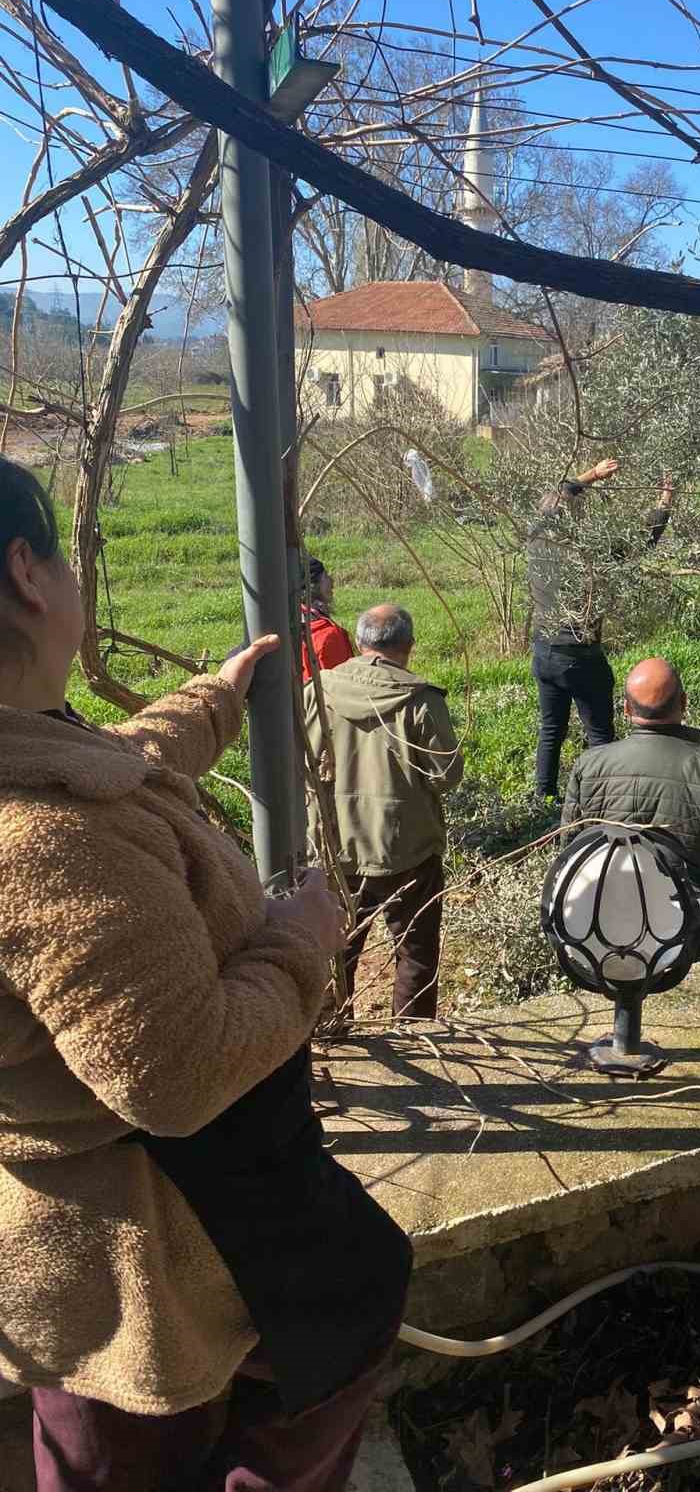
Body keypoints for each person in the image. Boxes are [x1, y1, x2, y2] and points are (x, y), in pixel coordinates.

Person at [0, 456, 412, 1490]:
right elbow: (175, 1076)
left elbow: (95, 772)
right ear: (27, 574)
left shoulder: (31, 767)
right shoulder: (42, 844)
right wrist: (301, 940)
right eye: (62, 551)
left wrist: (210, 704)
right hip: (137, 1263)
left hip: (93, 1242)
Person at [304, 603, 463, 1022]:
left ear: (359, 643)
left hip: (333, 847)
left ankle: (330, 1030)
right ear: (409, 644)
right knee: (415, 954)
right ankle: (412, 1034)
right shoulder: (420, 699)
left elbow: (295, 761)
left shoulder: (320, 690)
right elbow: (446, 773)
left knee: (335, 951)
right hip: (406, 849)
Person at [561, 657, 700, 958]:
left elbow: (571, 852)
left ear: (626, 709)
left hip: (606, 932)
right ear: (684, 702)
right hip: (690, 938)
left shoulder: (588, 766)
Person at [527, 458, 674, 801]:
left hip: (543, 652)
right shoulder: (591, 552)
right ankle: (601, 801)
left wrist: (590, 475)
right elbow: (641, 540)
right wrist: (664, 502)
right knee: (600, 736)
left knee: (551, 729)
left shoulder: (536, 539)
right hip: (580, 656)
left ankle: (542, 798)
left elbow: (557, 494)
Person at [301, 555, 354, 681]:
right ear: (312, 585)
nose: (331, 581)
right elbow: (342, 684)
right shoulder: (328, 635)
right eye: (325, 577)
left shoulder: (283, 623)